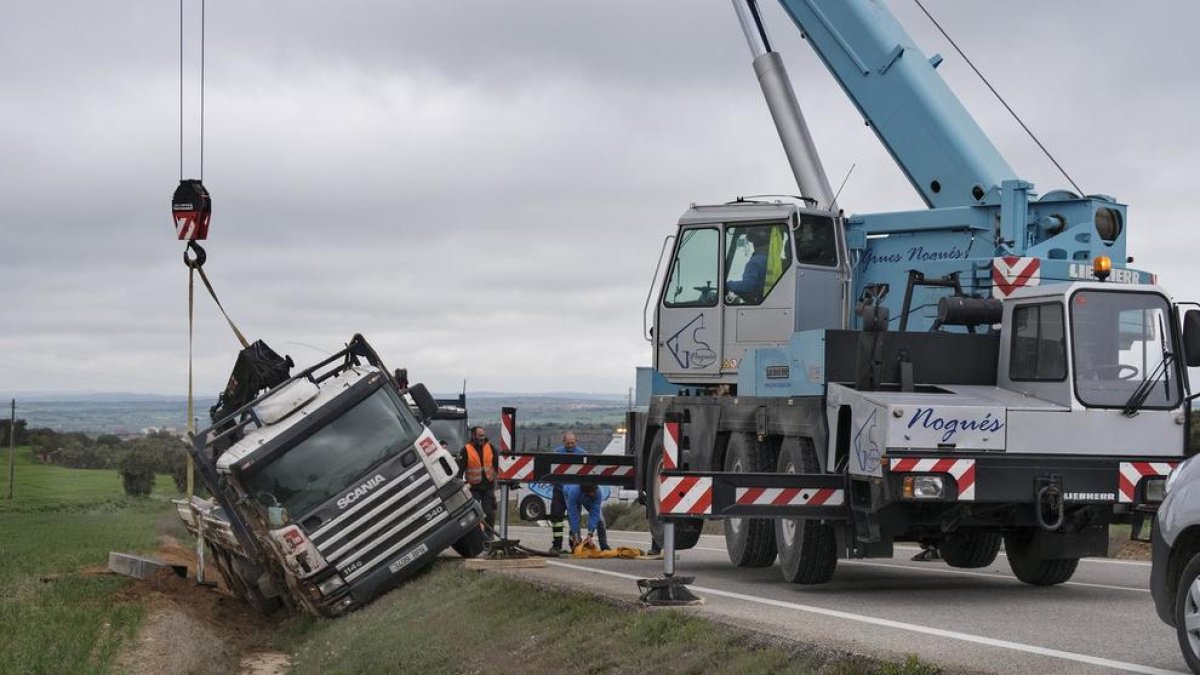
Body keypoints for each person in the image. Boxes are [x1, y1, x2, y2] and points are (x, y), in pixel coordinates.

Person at [549, 431, 587, 554]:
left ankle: (574, 544)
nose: (570, 445)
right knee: (556, 516)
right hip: (559, 490)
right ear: (563, 441)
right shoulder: (557, 453)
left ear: (576, 441)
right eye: (568, 443)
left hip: (575, 492)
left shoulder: (582, 454)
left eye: (572, 442)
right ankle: (557, 544)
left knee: (574, 518)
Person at [458, 426, 499, 532]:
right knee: (474, 515)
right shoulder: (466, 450)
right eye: (480, 435)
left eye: (483, 435)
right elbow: (460, 470)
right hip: (473, 488)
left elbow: (497, 465)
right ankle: (477, 536)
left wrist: (501, 479)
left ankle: (489, 536)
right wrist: (461, 483)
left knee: (489, 513)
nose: (482, 438)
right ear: (473, 435)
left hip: (488, 487)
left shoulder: (491, 448)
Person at [725, 227, 769, 303]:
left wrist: (727, 285)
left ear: (754, 242)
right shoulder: (771, 259)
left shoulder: (756, 261)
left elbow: (748, 286)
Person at [564, 482, 610, 551]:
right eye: (591, 493)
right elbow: (573, 515)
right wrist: (575, 535)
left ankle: (604, 546)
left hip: (586, 497)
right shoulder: (574, 492)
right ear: (586, 492)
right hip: (570, 494)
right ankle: (576, 543)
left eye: (594, 492)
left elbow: (595, 514)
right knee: (575, 518)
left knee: (600, 520)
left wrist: (590, 535)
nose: (593, 494)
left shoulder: (598, 493)